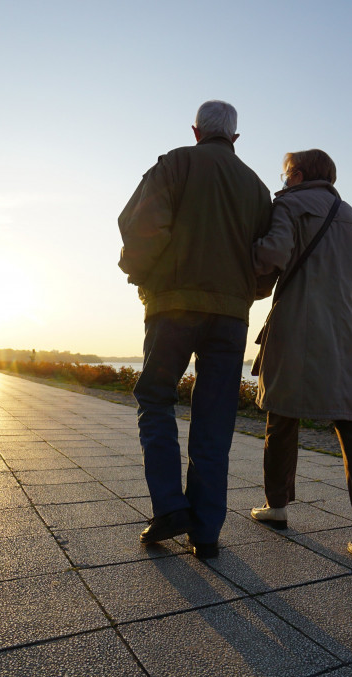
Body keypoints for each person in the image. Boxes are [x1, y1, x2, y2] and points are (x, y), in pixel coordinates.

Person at [118, 100, 272, 560]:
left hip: (173, 305)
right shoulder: (257, 187)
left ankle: (169, 508)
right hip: (231, 315)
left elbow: (141, 225)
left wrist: (139, 273)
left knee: (155, 397)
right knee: (215, 416)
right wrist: (247, 291)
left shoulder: (175, 164)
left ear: (196, 130)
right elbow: (267, 257)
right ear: (235, 138)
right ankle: (206, 532)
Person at [249, 149, 352, 561]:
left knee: (281, 416)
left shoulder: (290, 205)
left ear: (296, 175)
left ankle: (277, 505)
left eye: (284, 173)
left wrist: (244, 254)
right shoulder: (351, 215)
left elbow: (272, 255)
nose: (282, 180)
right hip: (347, 329)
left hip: (298, 324)